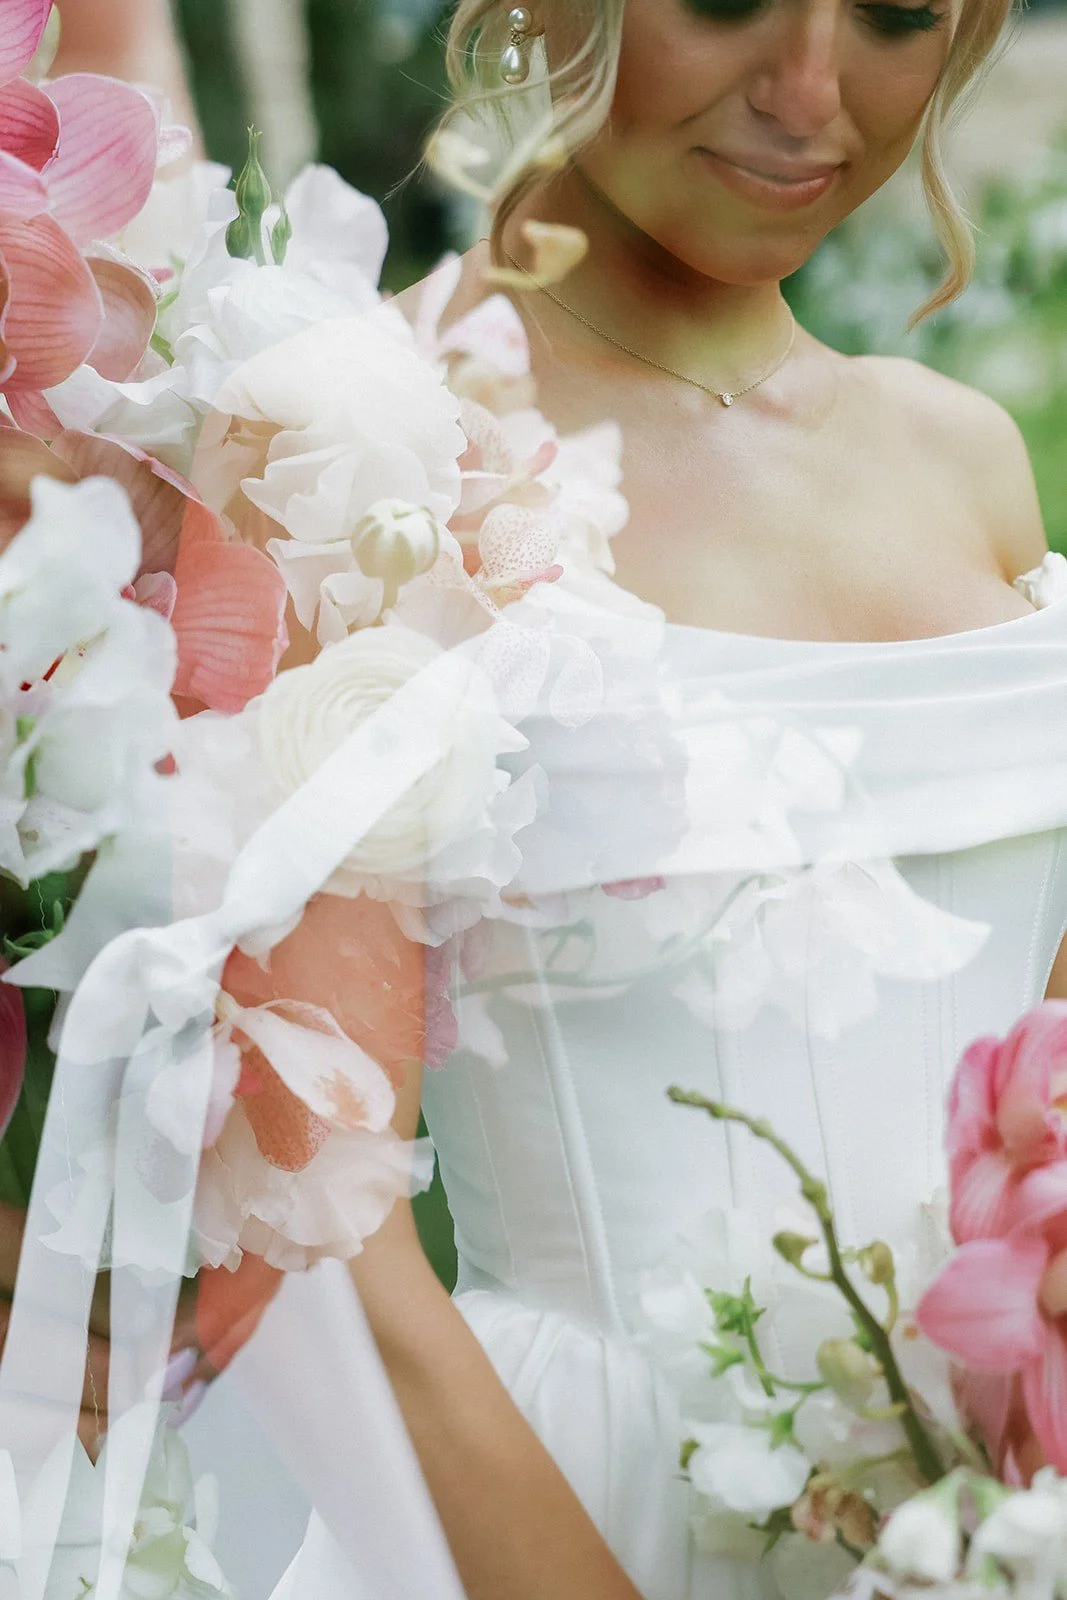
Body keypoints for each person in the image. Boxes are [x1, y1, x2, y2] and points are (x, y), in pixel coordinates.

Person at [239, 1, 1067, 1597]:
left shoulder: (965, 462)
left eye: (895, 14)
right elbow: (309, 1235)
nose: (809, 96)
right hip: (549, 1514)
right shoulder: (362, 444)